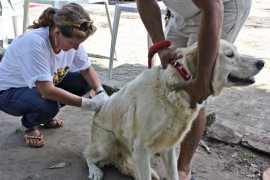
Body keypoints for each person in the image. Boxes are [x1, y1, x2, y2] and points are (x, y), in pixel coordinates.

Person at [136, 0, 252, 179]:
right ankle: (164, 139)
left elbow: (213, 8)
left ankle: (183, 169)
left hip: (221, 8)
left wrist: (202, 80)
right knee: (169, 77)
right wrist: (161, 47)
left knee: (195, 95)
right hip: (182, 11)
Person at [0, 3, 108, 148]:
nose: (76, 48)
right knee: (49, 105)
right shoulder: (35, 43)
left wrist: (101, 92)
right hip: (8, 92)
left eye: (79, 44)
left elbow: (87, 70)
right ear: (57, 33)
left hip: (39, 86)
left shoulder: (70, 38)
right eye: (72, 43)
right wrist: (88, 104)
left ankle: (43, 115)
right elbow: (47, 91)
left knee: (83, 81)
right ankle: (30, 124)